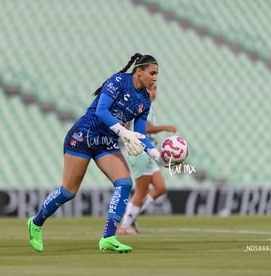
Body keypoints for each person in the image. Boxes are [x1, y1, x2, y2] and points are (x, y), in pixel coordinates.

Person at [27, 53, 167, 253]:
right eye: (152, 73)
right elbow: (101, 110)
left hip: (106, 143)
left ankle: (108, 238)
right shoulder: (118, 81)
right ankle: (36, 222)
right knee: (68, 191)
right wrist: (124, 132)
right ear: (139, 71)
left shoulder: (144, 99)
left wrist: (159, 157)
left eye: (157, 74)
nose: (155, 78)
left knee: (125, 183)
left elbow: (141, 134)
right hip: (84, 135)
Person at [118, 84, 176, 234]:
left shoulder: (145, 105)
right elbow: (144, 129)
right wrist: (165, 127)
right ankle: (125, 226)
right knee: (141, 191)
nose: (153, 92)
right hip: (141, 153)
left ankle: (131, 217)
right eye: (150, 88)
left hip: (147, 152)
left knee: (160, 187)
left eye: (155, 88)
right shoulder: (144, 106)